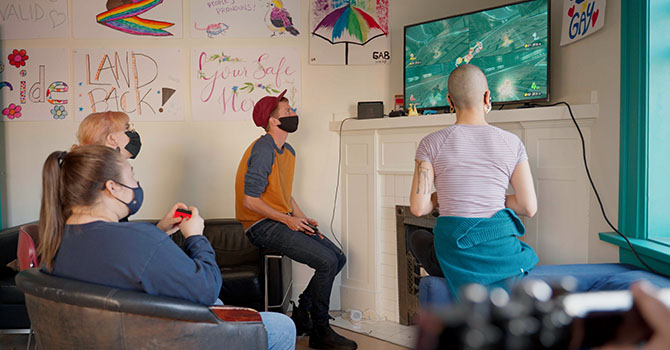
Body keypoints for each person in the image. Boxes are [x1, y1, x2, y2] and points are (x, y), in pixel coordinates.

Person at [38, 145, 296, 350]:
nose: (136, 183)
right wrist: (196, 236)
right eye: (132, 175)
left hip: (107, 338)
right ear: (112, 187)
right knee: (282, 326)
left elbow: (122, 260)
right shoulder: (138, 240)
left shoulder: (56, 240)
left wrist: (159, 231)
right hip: (159, 339)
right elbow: (206, 288)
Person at [235, 90, 357, 350]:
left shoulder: (286, 150)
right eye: (287, 112)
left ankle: (303, 314)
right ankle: (320, 331)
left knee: (338, 257)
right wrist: (287, 220)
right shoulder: (263, 149)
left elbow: (284, 195)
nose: (294, 114)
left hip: (279, 220)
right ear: (273, 121)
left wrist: (302, 219)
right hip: (260, 225)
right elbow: (250, 201)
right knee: (326, 262)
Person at [409, 64, 539, 298]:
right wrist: (496, 197)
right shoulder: (513, 143)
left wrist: (441, 197)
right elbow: (528, 207)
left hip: (455, 253)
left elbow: (418, 209)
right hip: (500, 253)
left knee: (417, 237)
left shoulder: (430, 143)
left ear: (449, 100)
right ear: (488, 96)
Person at [75, 111, 183, 234]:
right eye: (127, 127)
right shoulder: (102, 185)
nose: (132, 132)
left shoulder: (87, 176)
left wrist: (161, 230)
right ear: (112, 138)